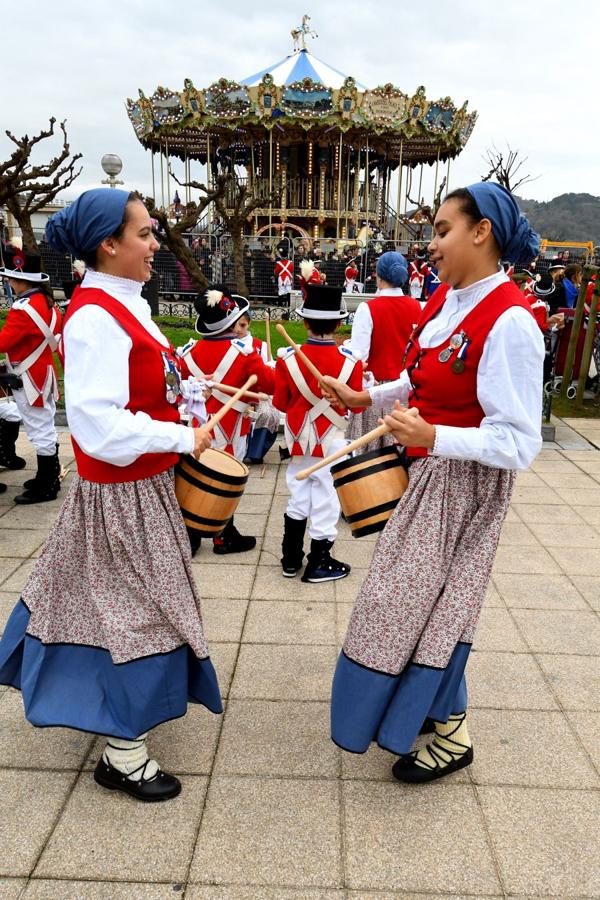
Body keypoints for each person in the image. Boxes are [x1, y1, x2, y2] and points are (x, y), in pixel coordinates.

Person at [0, 188, 222, 802]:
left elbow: (154, 379)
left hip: (138, 488)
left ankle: (119, 723)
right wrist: (182, 436)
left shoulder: (124, 304)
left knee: (122, 609)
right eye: (145, 234)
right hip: (120, 495)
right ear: (109, 244)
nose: (156, 244)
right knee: (136, 614)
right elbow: (98, 424)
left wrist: (201, 388)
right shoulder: (97, 315)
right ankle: (122, 752)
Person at [324, 181, 543, 783]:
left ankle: (452, 733)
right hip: (430, 476)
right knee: (410, 607)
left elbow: (520, 442)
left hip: (466, 486)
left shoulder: (510, 322)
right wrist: (366, 395)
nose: (433, 242)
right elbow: (422, 382)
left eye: (444, 230)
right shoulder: (447, 301)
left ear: (482, 233)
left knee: (427, 610)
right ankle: (426, 712)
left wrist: (435, 440)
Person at [273, 284, 364, 582]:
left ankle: (290, 559)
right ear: (339, 323)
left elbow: (281, 403)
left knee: (298, 495)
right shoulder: (351, 361)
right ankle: (319, 562)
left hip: (298, 441)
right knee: (327, 499)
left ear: (305, 321)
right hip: (333, 442)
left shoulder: (286, 359)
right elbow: (358, 407)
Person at [177, 285, 275, 555]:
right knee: (226, 480)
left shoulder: (187, 353)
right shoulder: (245, 353)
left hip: (198, 429)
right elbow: (270, 386)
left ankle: (191, 536)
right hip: (233, 428)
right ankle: (223, 536)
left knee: (196, 477)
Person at [0, 246, 62, 504]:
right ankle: (48, 476)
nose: (10, 284)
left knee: (39, 428)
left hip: (30, 377)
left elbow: (3, 342)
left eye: (11, 279)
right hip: (43, 372)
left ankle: (47, 485)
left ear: (20, 280)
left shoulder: (23, 309)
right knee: (44, 424)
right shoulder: (47, 303)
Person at [346, 251, 422, 454]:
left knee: (370, 457)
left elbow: (358, 357)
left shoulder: (367, 308)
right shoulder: (419, 307)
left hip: (377, 390)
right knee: (404, 453)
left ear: (378, 276)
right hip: (408, 390)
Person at [232, 311, 280, 465]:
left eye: (242, 325)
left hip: (259, 393)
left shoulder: (260, 346)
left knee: (268, 414)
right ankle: (240, 448)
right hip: (233, 393)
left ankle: (255, 453)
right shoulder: (228, 344)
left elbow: (268, 376)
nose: (238, 329)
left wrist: (271, 367)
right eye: (234, 325)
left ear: (249, 324)